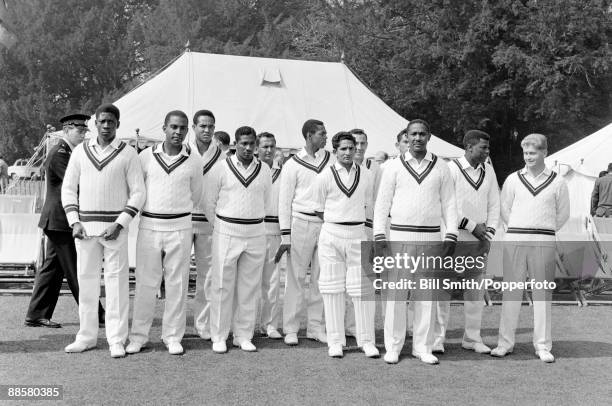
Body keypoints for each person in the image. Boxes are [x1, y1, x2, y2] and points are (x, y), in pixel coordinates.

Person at [61, 103, 145, 358]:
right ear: (95, 124)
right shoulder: (80, 152)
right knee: (86, 285)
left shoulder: (128, 153)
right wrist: (74, 221)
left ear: (118, 124)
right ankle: (86, 337)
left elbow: (139, 192)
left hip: (114, 231)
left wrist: (120, 224)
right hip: (85, 231)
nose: (106, 126)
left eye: (111, 122)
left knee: (117, 286)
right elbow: (68, 189)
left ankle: (116, 339)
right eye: (102, 121)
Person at [373, 119, 458, 365]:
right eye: (413, 134)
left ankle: (423, 347)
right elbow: (382, 205)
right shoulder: (392, 167)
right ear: (406, 138)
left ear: (429, 136)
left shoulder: (442, 167)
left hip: (431, 238)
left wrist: (450, 235)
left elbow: (450, 204)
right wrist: (379, 235)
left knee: (426, 297)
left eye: (422, 134)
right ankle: (394, 346)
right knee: (396, 296)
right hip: (399, 236)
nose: (418, 138)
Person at [126, 110, 203, 356]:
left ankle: (172, 336)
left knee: (177, 285)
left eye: (182, 128)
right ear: (164, 128)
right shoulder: (145, 157)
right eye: (173, 127)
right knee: (146, 284)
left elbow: (196, 194)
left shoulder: (193, 160)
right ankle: (138, 336)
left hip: (180, 227)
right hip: (149, 226)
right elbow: (136, 190)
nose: (178, 132)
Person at [491, 133, 569, 363]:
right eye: (525, 153)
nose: (528, 157)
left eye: (533, 153)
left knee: (542, 294)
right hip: (515, 239)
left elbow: (563, 214)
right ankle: (505, 343)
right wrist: (518, 228)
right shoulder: (513, 179)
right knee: (511, 293)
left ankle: (543, 346)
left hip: (543, 241)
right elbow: (504, 210)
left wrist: (542, 230)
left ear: (545, 152)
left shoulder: (558, 181)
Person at [25, 113, 105, 328]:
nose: (83, 135)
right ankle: (96, 314)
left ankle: (36, 314)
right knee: (76, 269)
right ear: (67, 130)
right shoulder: (60, 153)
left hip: (60, 220)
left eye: (85, 131)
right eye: (79, 131)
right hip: (60, 220)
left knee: (53, 270)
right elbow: (77, 183)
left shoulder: (70, 152)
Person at [432, 130, 500, 354]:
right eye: (484, 148)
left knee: (475, 292)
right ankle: (437, 339)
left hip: (479, 240)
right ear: (469, 147)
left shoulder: (488, 170)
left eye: (488, 148)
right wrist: (472, 226)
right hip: (452, 236)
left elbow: (494, 205)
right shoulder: (450, 169)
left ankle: (472, 338)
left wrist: (487, 234)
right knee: (443, 291)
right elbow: (445, 205)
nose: (487, 152)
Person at [205, 126, 271, 353]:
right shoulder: (221, 168)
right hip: (226, 231)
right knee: (222, 285)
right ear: (235, 143)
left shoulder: (264, 169)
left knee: (249, 287)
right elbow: (208, 202)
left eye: (252, 143)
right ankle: (219, 335)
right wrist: (220, 226)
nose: (248, 148)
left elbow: (266, 200)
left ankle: (243, 335)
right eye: (243, 143)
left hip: (255, 232)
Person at [313, 131, 379, 359]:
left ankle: (366, 340)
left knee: (362, 289)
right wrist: (336, 224)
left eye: (352, 148)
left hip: (358, 233)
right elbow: (318, 207)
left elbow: (370, 206)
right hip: (332, 233)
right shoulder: (324, 176)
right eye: (343, 149)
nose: (349, 152)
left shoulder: (368, 175)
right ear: (335, 151)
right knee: (332, 289)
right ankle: (335, 340)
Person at [276, 119, 333, 346]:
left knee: (322, 278)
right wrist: (285, 235)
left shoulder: (331, 159)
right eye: (322, 133)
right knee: (295, 278)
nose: (326, 137)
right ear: (309, 136)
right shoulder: (292, 164)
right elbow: (284, 201)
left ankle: (315, 327)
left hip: (326, 224)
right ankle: (290, 328)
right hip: (300, 223)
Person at [189, 110, 226, 340]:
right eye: (202, 126)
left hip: (209, 223)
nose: (206, 130)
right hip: (182, 221)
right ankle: (173, 328)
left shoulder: (221, 157)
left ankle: (202, 325)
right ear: (194, 127)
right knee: (177, 276)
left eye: (211, 126)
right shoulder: (183, 151)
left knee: (207, 277)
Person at [256, 132, 283, 339]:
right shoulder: (251, 168)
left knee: (272, 282)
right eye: (264, 146)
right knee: (247, 282)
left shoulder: (283, 171)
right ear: (257, 148)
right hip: (252, 230)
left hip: (274, 231)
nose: (268, 150)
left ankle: (270, 324)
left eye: (271, 146)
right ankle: (244, 325)